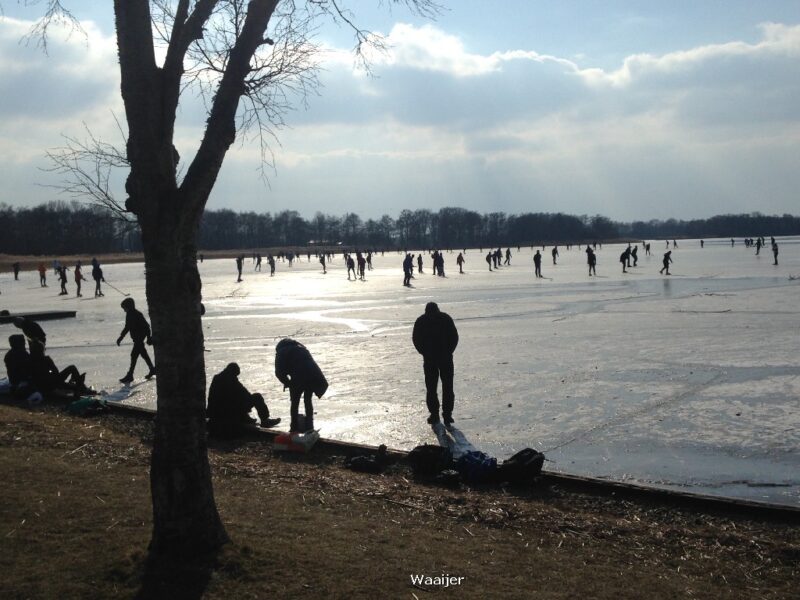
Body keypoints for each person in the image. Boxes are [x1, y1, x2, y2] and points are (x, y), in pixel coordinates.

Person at [412, 302, 459, 426]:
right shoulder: (440, 319)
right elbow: (416, 340)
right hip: (437, 359)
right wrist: (426, 353)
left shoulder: (425, 320)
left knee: (438, 388)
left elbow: (454, 337)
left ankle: (441, 414)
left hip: (438, 359)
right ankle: (441, 414)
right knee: (439, 388)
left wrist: (446, 352)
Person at [206, 363, 280, 437]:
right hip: (229, 411)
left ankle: (245, 417)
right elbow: (243, 393)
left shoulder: (217, 378)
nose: (236, 377)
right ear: (234, 372)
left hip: (217, 411)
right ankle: (265, 420)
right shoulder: (231, 379)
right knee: (257, 397)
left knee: (238, 400)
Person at [274, 338, 328, 433]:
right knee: (308, 400)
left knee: (294, 403)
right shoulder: (301, 348)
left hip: (297, 378)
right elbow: (312, 365)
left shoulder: (281, 352)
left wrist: (288, 383)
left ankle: (294, 427)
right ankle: (309, 426)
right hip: (311, 377)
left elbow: (279, 372)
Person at [116, 298, 155, 384]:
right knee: (141, 354)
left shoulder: (137, 314)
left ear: (129, 307)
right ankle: (151, 369)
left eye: (124, 308)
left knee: (134, 355)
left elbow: (146, 326)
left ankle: (130, 375)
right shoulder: (129, 314)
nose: (124, 311)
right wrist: (121, 337)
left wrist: (148, 337)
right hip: (137, 339)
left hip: (139, 338)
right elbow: (127, 327)